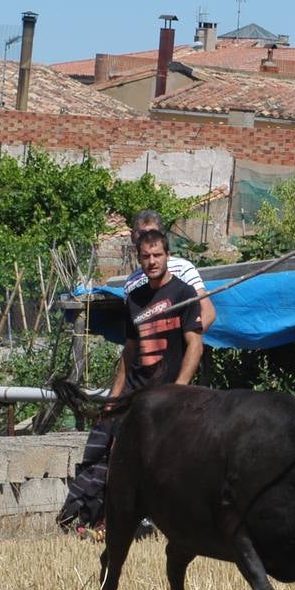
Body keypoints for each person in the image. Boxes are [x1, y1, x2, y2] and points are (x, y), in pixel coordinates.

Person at [58, 229, 213, 535]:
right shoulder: (135, 299)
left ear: (168, 256)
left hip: (166, 393)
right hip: (135, 393)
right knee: (108, 447)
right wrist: (114, 400)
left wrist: (179, 389)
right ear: (139, 259)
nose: (152, 261)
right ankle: (96, 517)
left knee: (159, 460)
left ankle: (155, 521)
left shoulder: (184, 295)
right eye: (146, 256)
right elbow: (129, 352)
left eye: (157, 255)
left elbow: (195, 345)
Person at [122, 210, 204, 294]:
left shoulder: (183, 269)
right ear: (133, 237)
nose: (148, 237)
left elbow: (202, 303)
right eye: (142, 234)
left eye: (153, 233)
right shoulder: (131, 282)